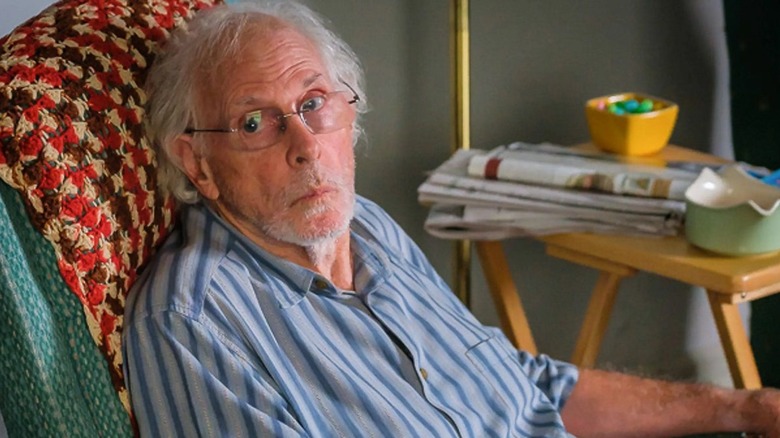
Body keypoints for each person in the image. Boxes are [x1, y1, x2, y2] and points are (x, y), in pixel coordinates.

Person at [122, 1, 780, 436]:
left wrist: (740, 406)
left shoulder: (367, 228)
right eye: (254, 122)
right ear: (197, 162)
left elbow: (523, 389)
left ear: (349, 113)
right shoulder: (195, 323)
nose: (304, 145)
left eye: (314, 102)